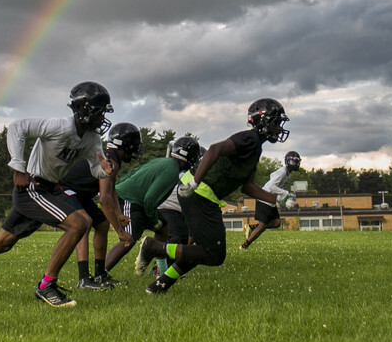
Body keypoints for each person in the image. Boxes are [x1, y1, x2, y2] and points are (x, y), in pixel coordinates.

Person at [0, 81, 133, 308]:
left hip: (48, 188)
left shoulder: (91, 139)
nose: (102, 119)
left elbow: (95, 169)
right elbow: (17, 127)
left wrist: (104, 170)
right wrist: (18, 168)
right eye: (100, 113)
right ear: (85, 110)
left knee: (2, 243)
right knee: (80, 223)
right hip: (32, 187)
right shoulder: (60, 126)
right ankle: (46, 286)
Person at [138, 98, 291, 294]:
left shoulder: (255, 147)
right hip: (199, 194)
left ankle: (159, 285)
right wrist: (195, 182)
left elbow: (248, 187)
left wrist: (277, 199)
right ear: (262, 121)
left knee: (202, 250)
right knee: (213, 254)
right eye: (276, 123)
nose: (279, 129)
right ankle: (155, 247)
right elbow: (215, 149)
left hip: (201, 195)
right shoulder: (250, 139)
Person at [59, 121, 140, 290]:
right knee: (84, 223)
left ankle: (100, 274)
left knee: (102, 224)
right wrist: (119, 231)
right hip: (65, 189)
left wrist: (117, 214)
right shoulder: (110, 159)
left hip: (79, 194)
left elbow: (112, 191)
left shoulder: (111, 157)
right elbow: (104, 199)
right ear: (127, 145)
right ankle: (83, 279)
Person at [104, 136, 201, 278]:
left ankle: (161, 270)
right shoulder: (172, 170)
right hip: (131, 200)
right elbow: (150, 200)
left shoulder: (164, 162)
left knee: (163, 229)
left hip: (135, 200)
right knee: (128, 239)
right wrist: (153, 220)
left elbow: (132, 174)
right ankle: (100, 274)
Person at [240, 150, 301, 250]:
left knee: (277, 223)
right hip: (264, 198)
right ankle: (244, 246)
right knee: (262, 226)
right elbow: (272, 186)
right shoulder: (283, 171)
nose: (295, 164)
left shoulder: (287, 173)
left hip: (270, 200)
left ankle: (251, 227)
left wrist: (282, 196)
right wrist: (285, 193)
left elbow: (272, 176)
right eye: (293, 161)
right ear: (287, 161)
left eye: (297, 162)